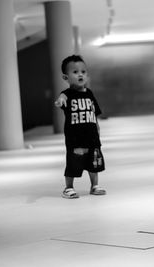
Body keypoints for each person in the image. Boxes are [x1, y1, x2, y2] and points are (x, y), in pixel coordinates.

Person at [55, 55, 106, 199]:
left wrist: (97, 128)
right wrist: (59, 101)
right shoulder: (67, 94)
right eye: (75, 72)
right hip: (75, 138)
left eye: (83, 72)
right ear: (66, 77)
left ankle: (94, 185)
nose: (80, 75)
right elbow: (62, 98)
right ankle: (68, 187)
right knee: (73, 164)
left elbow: (94, 113)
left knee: (94, 163)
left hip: (92, 136)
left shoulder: (89, 93)